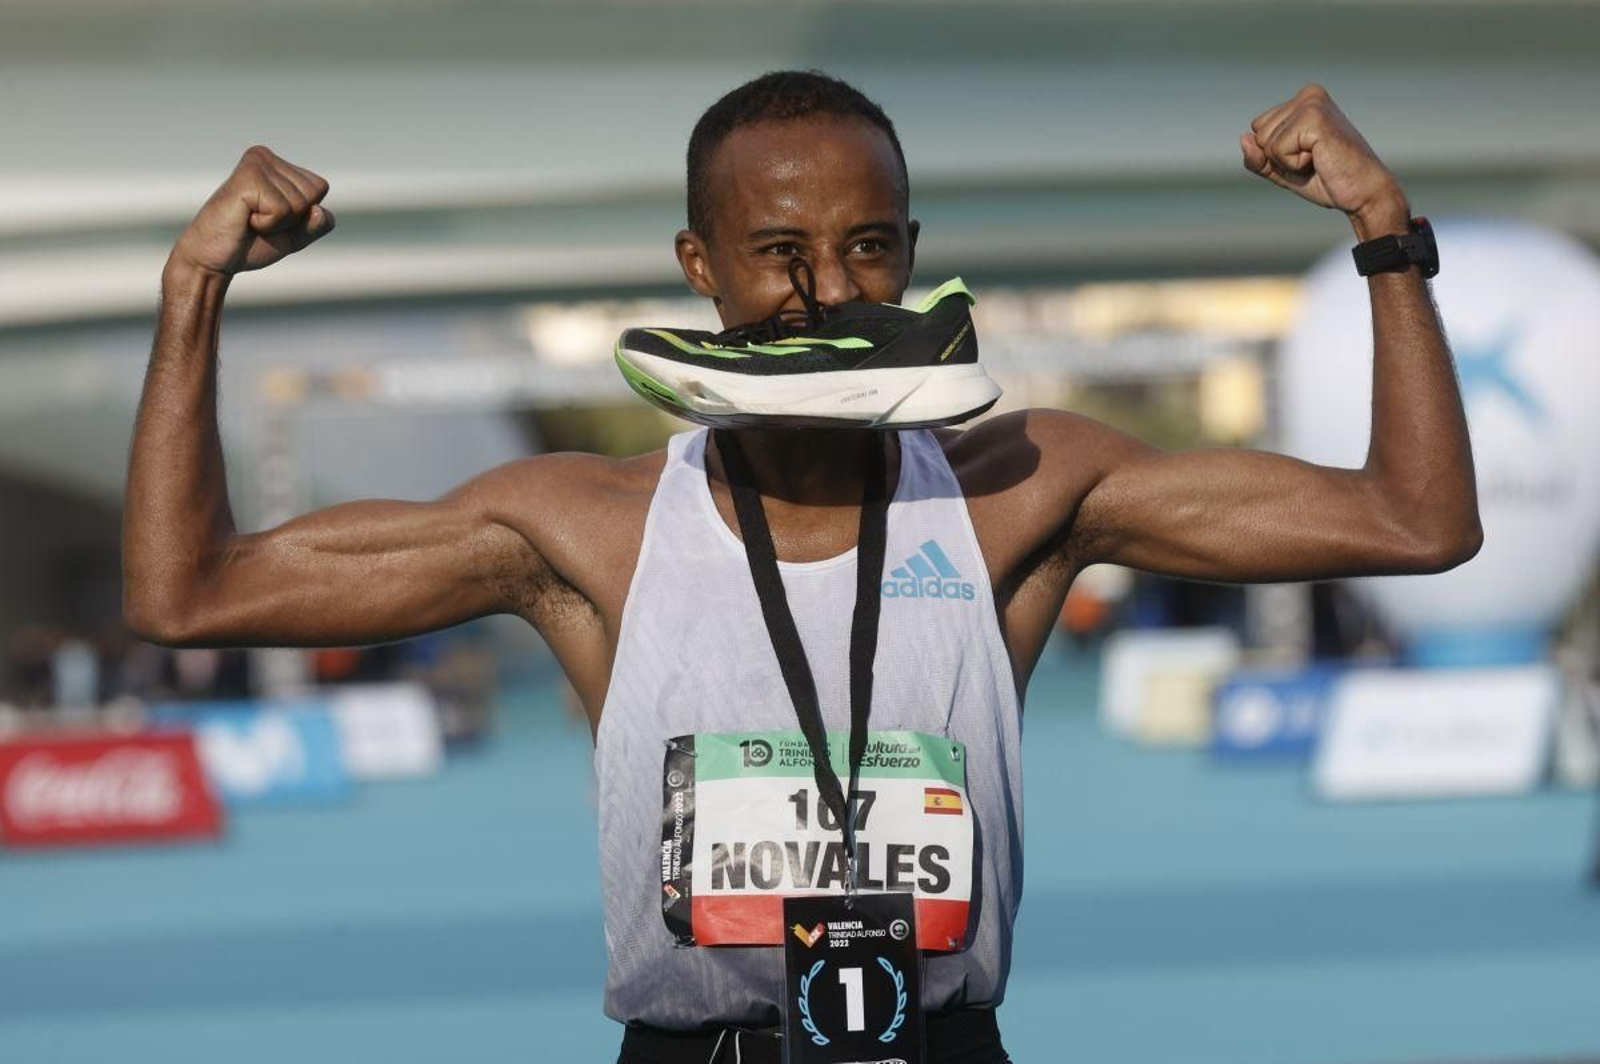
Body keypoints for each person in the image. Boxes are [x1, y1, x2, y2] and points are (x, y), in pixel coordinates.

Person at [123, 71, 1480, 1063]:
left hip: (946, 1043)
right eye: (778, 254)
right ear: (699, 266)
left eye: (865, 245)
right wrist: (194, 289)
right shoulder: (586, 528)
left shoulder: (1019, 490)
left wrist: (1382, 227)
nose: (825, 291)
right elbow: (192, 593)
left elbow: (1416, 522)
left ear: (910, 256)